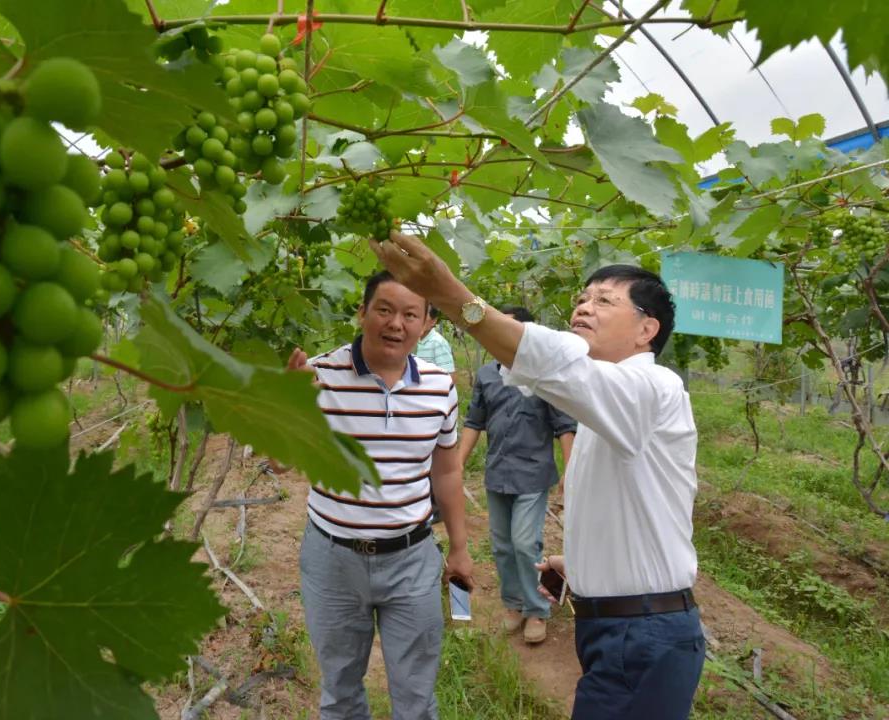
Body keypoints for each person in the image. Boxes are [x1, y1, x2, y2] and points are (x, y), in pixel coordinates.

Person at [371, 232, 704, 720]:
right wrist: (583, 563)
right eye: (582, 298)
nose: (584, 307)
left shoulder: (654, 385)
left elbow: (554, 363)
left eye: (605, 301)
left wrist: (450, 293)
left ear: (646, 329)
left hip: (644, 635)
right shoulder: (605, 404)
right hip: (624, 629)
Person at [286, 270, 473, 720]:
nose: (396, 324)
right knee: (340, 691)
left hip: (411, 559)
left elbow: (446, 472)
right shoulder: (321, 375)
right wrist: (289, 405)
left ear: (427, 323)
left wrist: (461, 550)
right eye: (385, 310)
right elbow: (277, 463)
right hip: (332, 560)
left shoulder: (438, 387)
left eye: (411, 314)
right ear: (362, 312)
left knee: (416, 697)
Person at [459, 305, 576, 645]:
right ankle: (513, 604)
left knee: (525, 543)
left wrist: (571, 471)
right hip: (498, 473)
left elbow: (564, 426)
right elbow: (474, 422)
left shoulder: (543, 377)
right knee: (502, 545)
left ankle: (537, 607)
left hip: (533, 475)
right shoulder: (487, 376)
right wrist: (458, 462)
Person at [414, 306, 455, 372]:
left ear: (433, 321)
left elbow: (449, 376)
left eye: (424, 316)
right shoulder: (412, 341)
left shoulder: (438, 343)